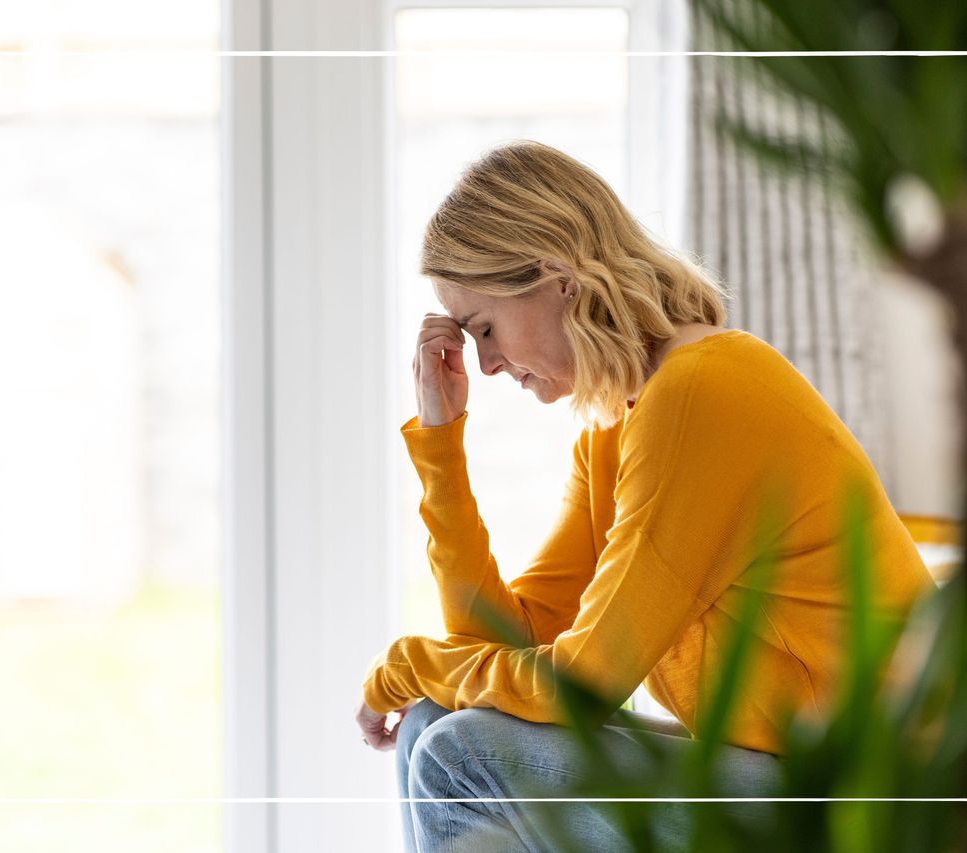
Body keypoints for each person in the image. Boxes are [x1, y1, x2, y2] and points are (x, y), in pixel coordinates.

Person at [354, 140, 936, 852]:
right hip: (781, 771)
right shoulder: (616, 427)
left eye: (484, 327)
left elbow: (587, 682)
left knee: (461, 750)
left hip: (870, 798)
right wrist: (442, 445)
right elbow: (503, 642)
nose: (488, 362)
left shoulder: (703, 393)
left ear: (556, 277)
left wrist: (409, 664)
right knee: (428, 723)